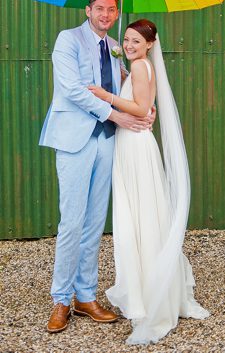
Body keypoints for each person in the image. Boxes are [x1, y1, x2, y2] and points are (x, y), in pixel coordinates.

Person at [88, 19, 210, 345]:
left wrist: (105, 95)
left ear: (149, 45)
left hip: (136, 146)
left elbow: (141, 108)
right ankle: (148, 288)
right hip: (133, 144)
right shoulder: (138, 68)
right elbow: (143, 99)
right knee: (145, 215)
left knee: (140, 217)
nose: (128, 46)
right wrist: (122, 80)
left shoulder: (141, 67)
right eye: (126, 40)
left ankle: (146, 295)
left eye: (135, 42)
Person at [40, 0, 154, 333]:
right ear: (88, 10)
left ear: (116, 15)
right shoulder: (68, 40)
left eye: (112, 10)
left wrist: (143, 105)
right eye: (100, 8)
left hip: (106, 141)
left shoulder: (117, 47)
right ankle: (61, 299)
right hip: (76, 139)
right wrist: (114, 114)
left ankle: (85, 296)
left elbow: (124, 87)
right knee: (72, 222)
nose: (106, 14)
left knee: (92, 224)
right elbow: (73, 89)